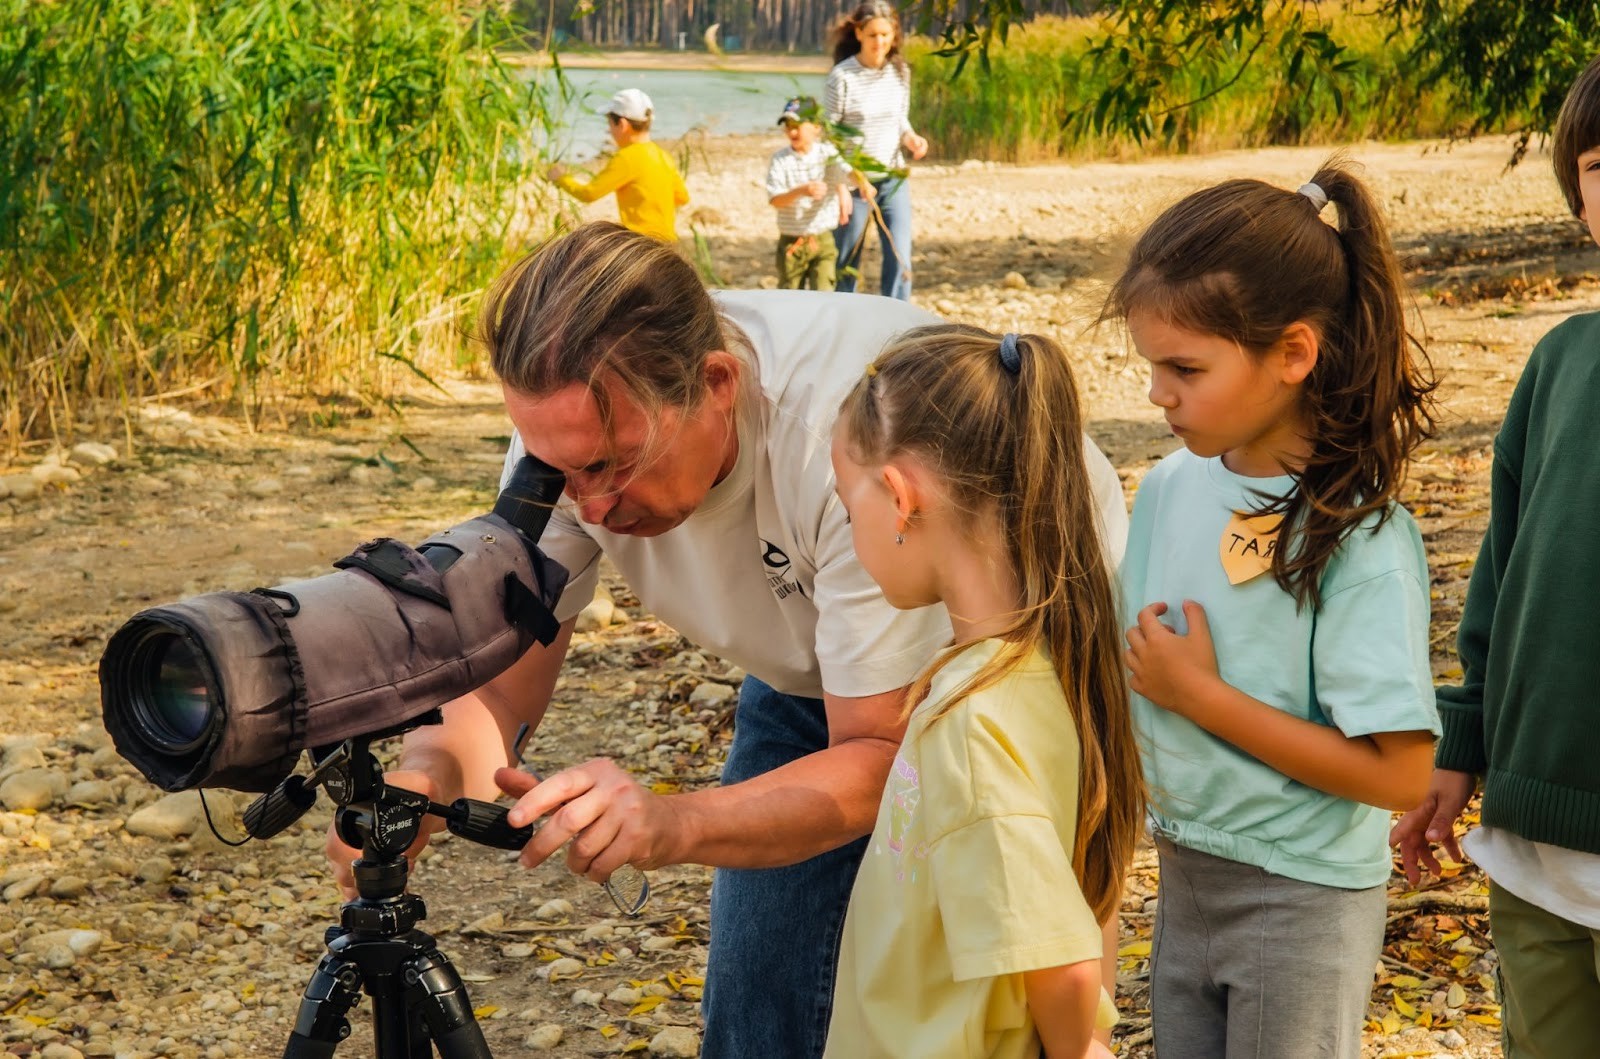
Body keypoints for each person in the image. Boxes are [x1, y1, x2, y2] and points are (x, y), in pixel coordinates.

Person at [324, 222, 1131, 1058]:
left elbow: (880, 751)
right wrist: (426, 773)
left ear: (717, 383)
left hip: (998, 651)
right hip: (814, 664)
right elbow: (502, 683)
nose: (587, 507)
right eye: (556, 469)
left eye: (612, 466)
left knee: (982, 988)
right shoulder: (568, 437)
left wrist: (668, 823)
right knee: (760, 995)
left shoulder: (850, 451)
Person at [1109, 161, 1442, 1059]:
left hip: (1301, 896)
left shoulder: (1361, 537)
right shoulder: (1172, 488)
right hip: (1182, 871)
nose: (1157, 393)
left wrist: (1204, 698)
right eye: (1151, 365)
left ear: (1293, 354)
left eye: (1185, 367)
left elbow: (1400, 777)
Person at [823, 326, 1143, 1059]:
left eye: (850, 508)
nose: (849, 532)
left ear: (900, 498)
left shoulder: (976, 718)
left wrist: (1079, 1048)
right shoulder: (1042, 668)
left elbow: (1056, 955)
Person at [1389, 54, 1600, 1059]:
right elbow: (1504, 574)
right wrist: (1461, 740)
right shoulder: (1560, 363)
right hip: (1534, 852)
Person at [825, 0, 928, 301]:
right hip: (854, 182)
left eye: (886, 35)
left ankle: (898, 323)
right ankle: (841, 316)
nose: (880, 42)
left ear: (894, 35)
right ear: (859, 33)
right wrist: (846, 180)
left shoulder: (900, 72)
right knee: (847, 262)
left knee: (900, 256)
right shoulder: (842, 77)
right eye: (873, 35)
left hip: (893, 178)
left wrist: (911, 138)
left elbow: (899, 120)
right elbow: (828, 139)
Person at [546, 89, 688, 243]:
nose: (609, 131)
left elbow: (589, 194)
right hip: (667, 242)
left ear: (622, 124)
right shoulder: (663, 155)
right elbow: (682, 197)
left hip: (641, 243)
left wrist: (560, 178)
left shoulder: (626, 157)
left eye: (610, 124)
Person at [767, 95, 853, 291]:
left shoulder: (827, 153)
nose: (792, 131)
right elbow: (775, 200)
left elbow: (845, 172)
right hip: (791, 242)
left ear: (816, 127)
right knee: (789, 297)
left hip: (822, 239)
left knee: (824, 294)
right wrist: (801, 191)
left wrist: (845, 187)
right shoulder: (780, 160)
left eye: (798, 125)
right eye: (788, 126)